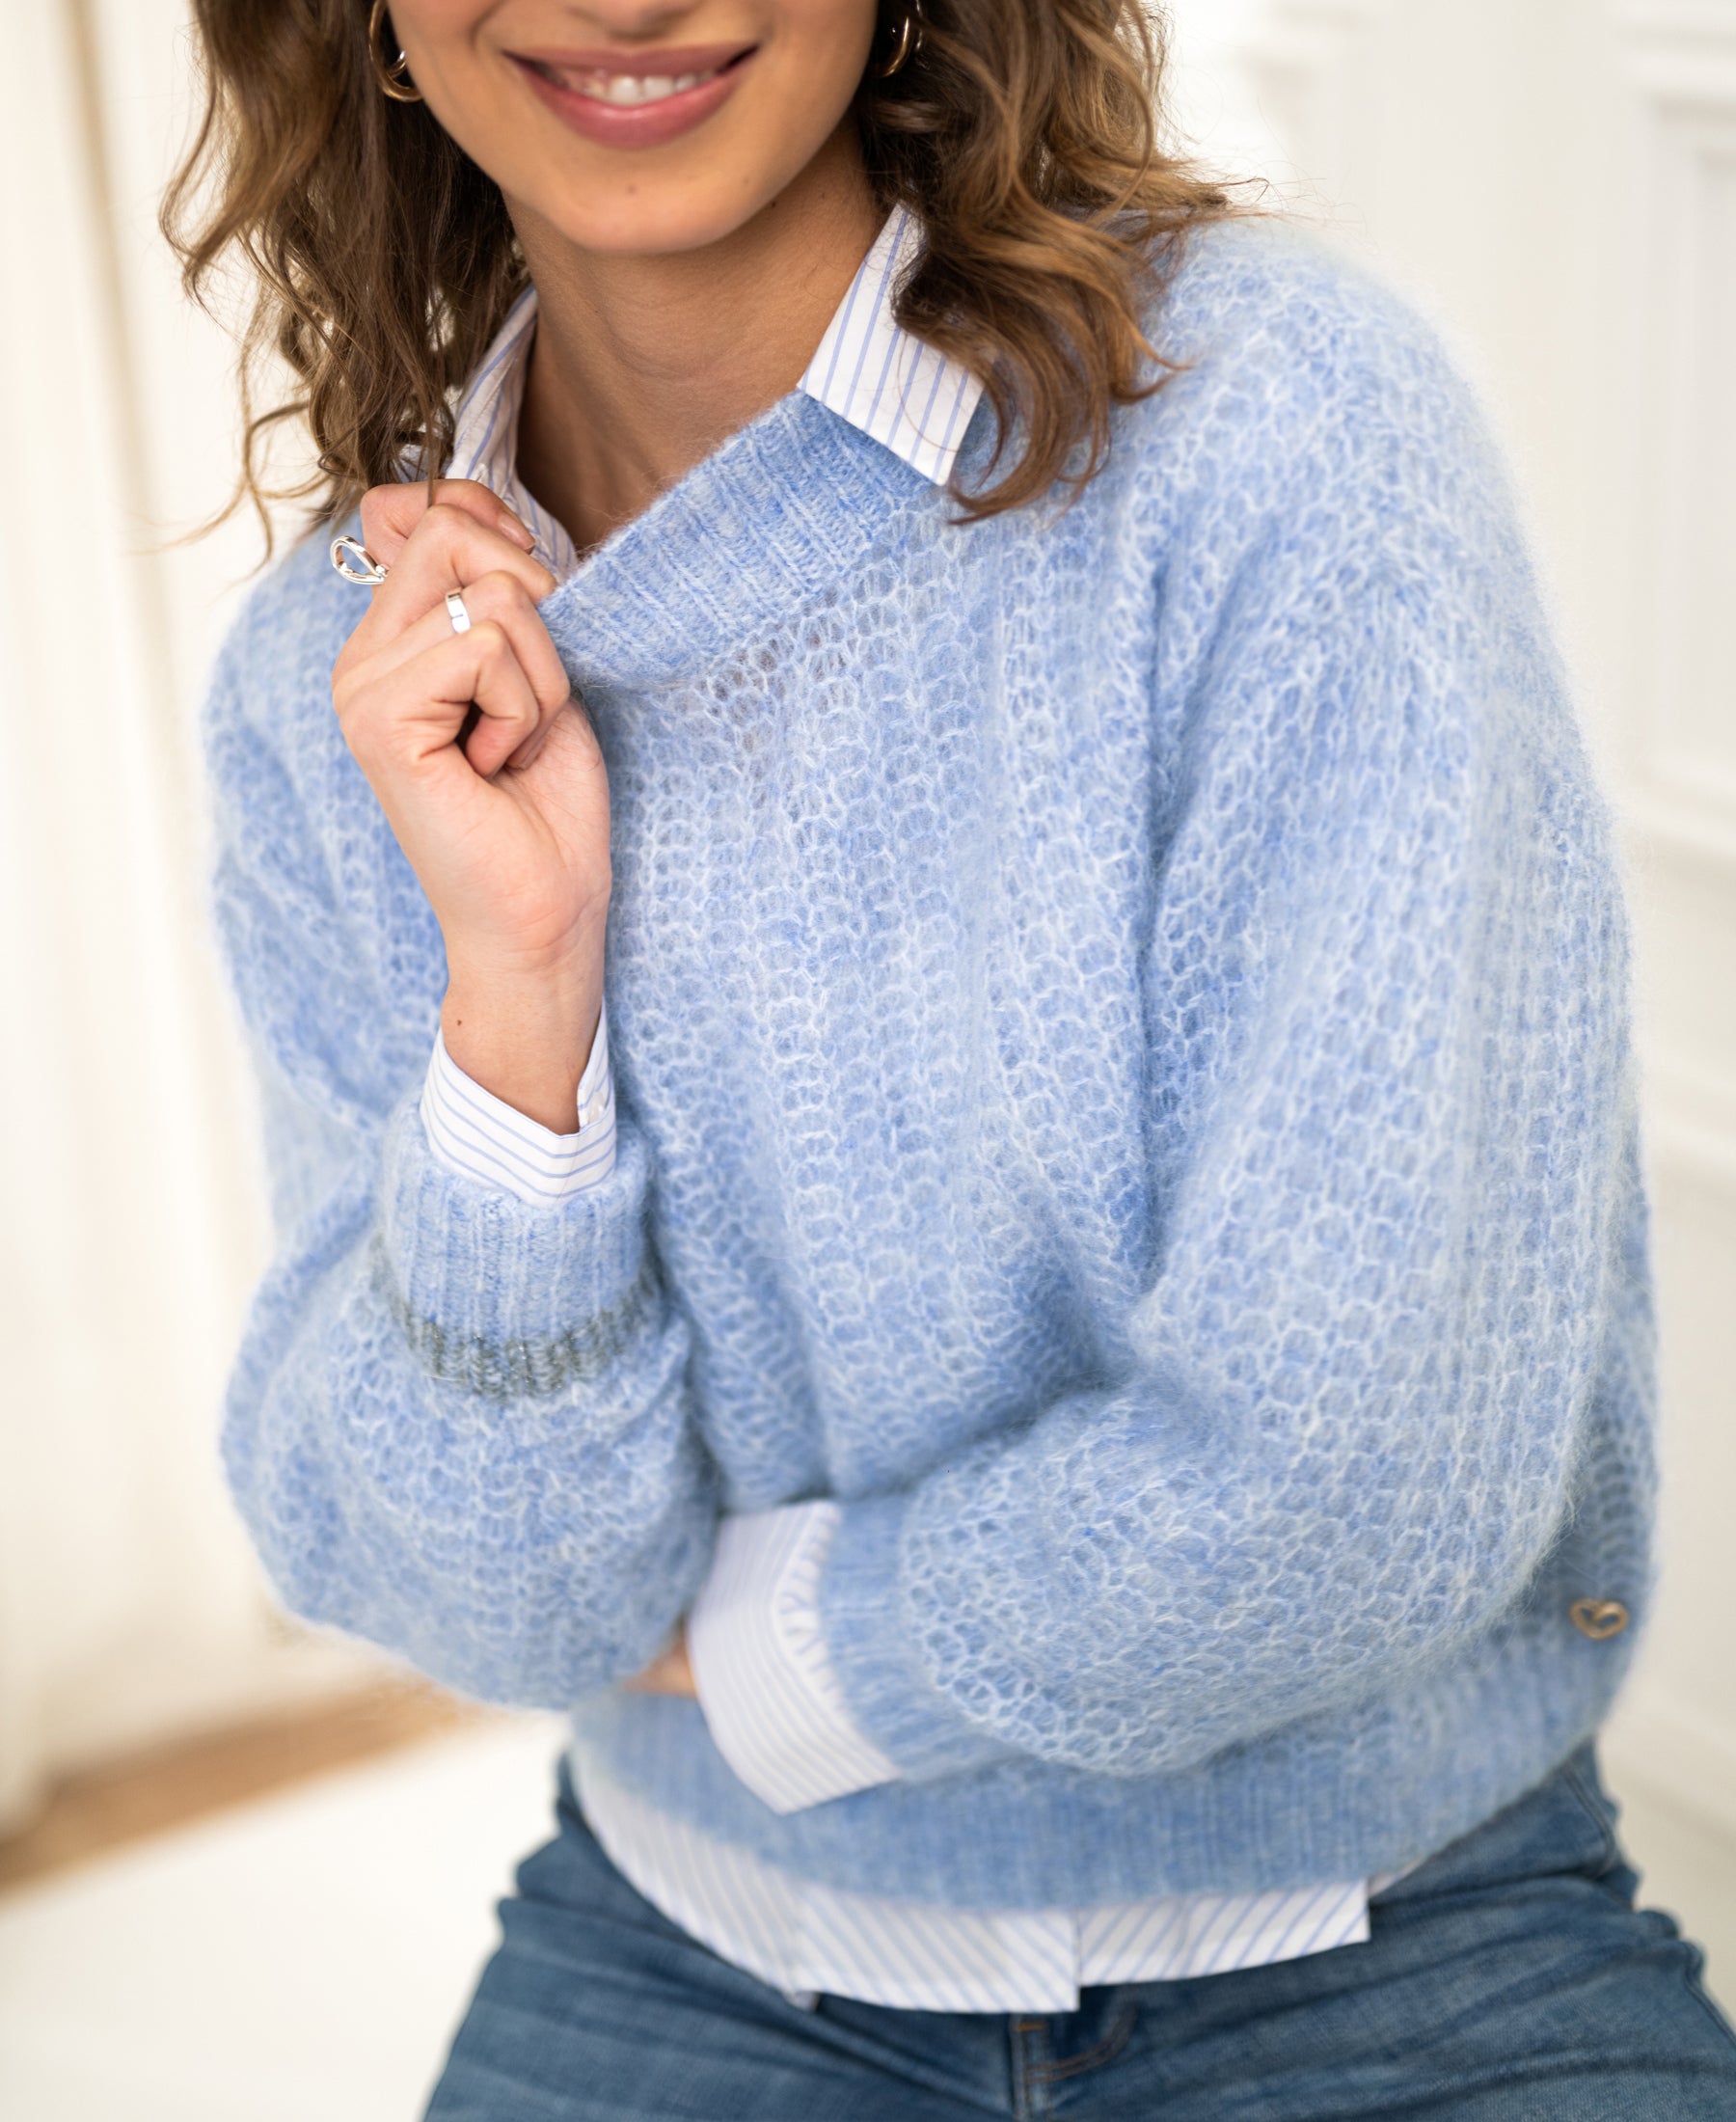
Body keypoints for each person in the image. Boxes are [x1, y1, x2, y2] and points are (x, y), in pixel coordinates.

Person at [165, 1, 1736, 2114]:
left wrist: (759, 1644)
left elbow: (1355, 1488)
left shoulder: (1274, 429)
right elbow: (500, 1606)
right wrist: (519, 999)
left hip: (1386, 1947)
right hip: (686, 1956)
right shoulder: (344, 683)